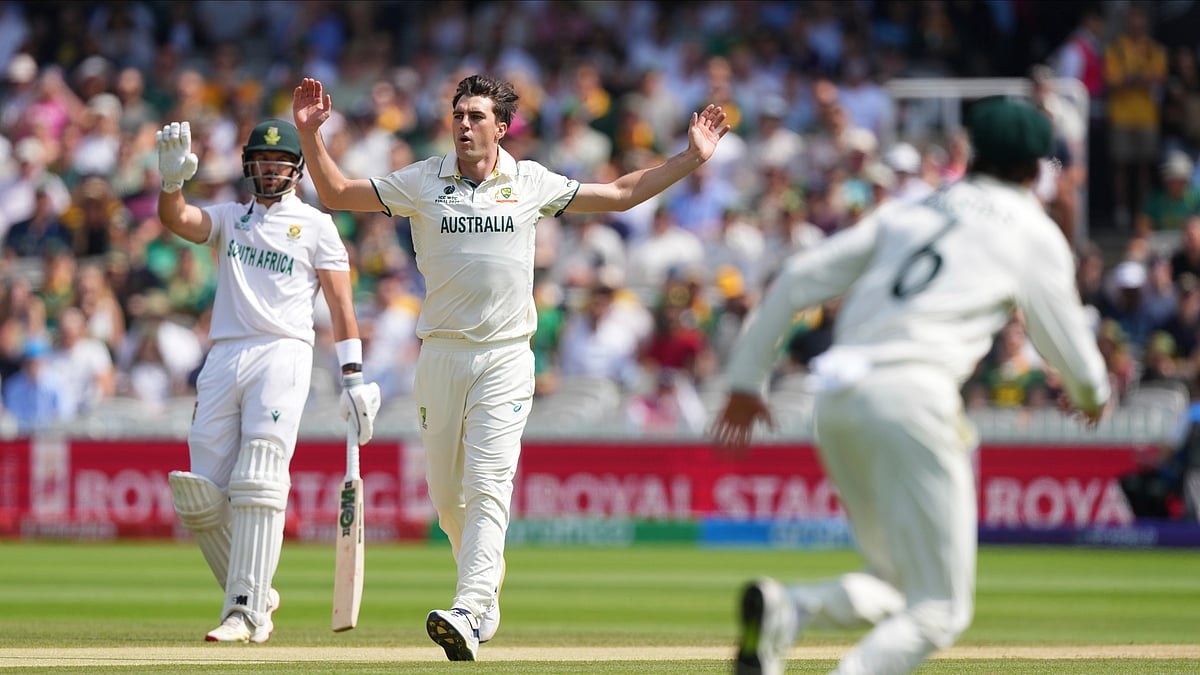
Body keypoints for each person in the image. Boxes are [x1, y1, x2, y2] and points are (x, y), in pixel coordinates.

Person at [292, 74, 728, 661]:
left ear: (502, 127)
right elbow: (340, 192)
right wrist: (309, 136)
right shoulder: (423, 179)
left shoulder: (530, 181)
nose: (464, 125)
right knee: (449, 501)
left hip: (505, 357)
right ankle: (484, 597)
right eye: (458, 114)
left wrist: (690, 158)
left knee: (489, 484)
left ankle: (470, 609)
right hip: (441, 353)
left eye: (476, 116)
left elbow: (621, 193)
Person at [710, 96, 1111, 675]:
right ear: (1034, 168)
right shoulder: (1032, 230)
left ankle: (788, 610)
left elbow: (797, 279)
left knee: (897, 586)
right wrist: (1091, 397)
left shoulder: (911, 208)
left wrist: (746, 382)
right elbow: (1078, 359)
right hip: (914, 399)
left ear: (972, 154)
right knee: (941, 608)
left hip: (840, 399)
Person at [155, 118, 381, 643]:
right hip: (225, 353)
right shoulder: (232, 219)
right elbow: (180, 221)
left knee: (258, 477)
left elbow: (341, 304)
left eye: (278, 164)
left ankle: (245, 610)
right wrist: (170, 183)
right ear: (248, 167)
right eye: (261, 163)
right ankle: (257, 592)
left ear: (296, 171)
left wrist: (354, 377)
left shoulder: (318, 226)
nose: (269, 171)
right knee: (200, 492)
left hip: (284, 351)